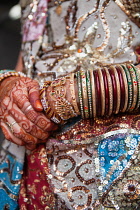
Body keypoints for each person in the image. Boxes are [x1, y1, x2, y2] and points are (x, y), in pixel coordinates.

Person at [0, 0, 140, 209]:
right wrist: (7, 85)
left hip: (114, 169)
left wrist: (76, 93)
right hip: (25, 174)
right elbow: (29, 60)